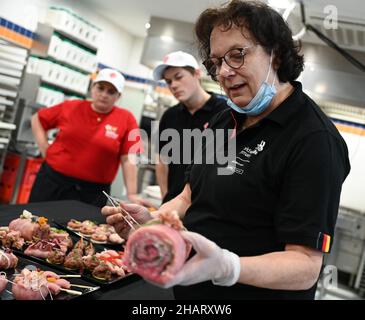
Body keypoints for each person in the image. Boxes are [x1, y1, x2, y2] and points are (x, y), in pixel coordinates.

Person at [102, 0, 350, 300]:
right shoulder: (226, 119)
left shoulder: (313, 139)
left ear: (277, 54)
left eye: (237, 55)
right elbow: (190, 195)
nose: (224, 73)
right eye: (217, 62)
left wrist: (227, 266)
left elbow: (305, 266)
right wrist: (155, 224)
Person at [29, 68, 150, 208]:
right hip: (52, 183)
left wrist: (132, 193)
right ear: (93, 88)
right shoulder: (71, 107)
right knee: (36, 224)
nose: (104, 95)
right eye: (101, 88)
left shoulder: (126, 119)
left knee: (84, 229)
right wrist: (45, 149)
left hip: (93, 194)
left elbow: (128, 159)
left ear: (118, 96)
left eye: (111, 92)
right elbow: (37, 119)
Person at [153, 51, 227, 203]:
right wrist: (166, 198)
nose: (173, 85)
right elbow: (162, 161)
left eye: (178, 77)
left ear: (197, 74)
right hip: (173, 206)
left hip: (207, 209)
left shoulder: (224, 112)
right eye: (168, 81)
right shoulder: (170, 116)